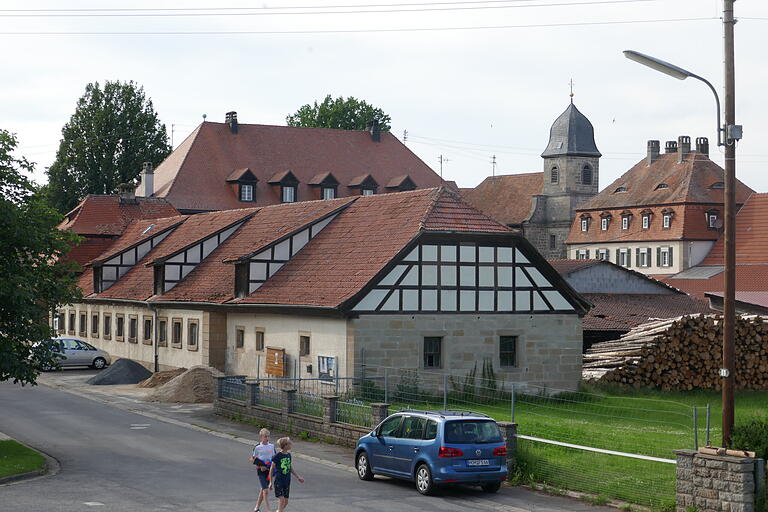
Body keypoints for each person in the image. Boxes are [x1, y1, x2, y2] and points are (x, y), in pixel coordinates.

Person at [268, 437, 304, 512]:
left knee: (286, 502)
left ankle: (278, 511)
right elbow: (271, 468)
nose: (291, 445)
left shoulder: (288, 455)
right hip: (279, 480)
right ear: (285, 445)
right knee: (282, 499)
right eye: (290, 443)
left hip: (287, 480)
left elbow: (290, 467)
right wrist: (271, 482)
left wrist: (298, 477)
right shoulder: (277, 456)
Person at [249, 428, 276, 512]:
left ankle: (256, 508)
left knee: (263, 489)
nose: (267, 438)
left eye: (268, 436)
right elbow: (252, 459)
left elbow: (274, 458)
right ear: (261, 437)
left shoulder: (272, 446)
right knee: (265, 490)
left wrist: (272, 465)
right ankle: (268, 510)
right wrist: (260, 466)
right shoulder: (257, 447)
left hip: (270, 471)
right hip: (261, 471)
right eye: (265, 436)